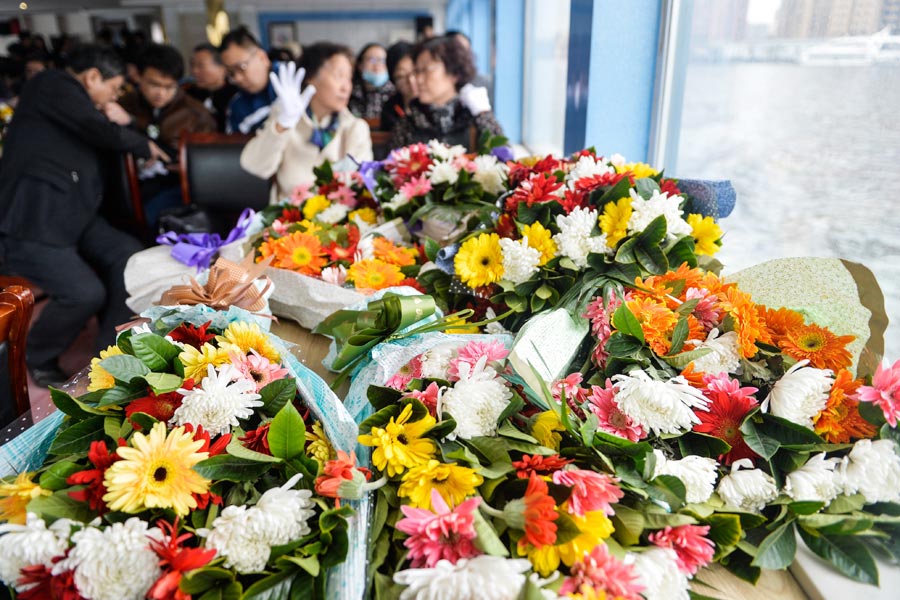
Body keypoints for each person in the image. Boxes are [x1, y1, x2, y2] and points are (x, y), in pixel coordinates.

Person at [0, 44, 168, 388]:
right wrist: (140, 141)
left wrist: (126, 123)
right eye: (114, 87)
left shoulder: (71, 102)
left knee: (127, 254)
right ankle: (35, 354)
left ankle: (109, 355)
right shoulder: (52, 84)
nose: (114, 96)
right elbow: (97, 130)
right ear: (93, 77)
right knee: (84, 293)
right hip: (35, 221)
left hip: (74, 215)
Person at [241, 42, 372, 200]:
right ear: (311, 77)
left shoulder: (354, 127)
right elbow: (256, 166)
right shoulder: (286, 117)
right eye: (339, 76)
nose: (346, 87)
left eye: (349, 78)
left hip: (339, 218)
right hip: (289, 218)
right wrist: (283, 124)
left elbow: (361, 185)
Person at [119, 43, 216, 228]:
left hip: (175, 187)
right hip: (127, 186)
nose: (160, 93)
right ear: (138, 77)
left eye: (169, 87)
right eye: (154, 84)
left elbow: (206, 170)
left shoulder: (197, 115)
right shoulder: (122, 106)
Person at [390, 35, 502, 150]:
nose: (418, 79)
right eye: (417, 71)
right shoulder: (409, 123)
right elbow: (392, 163)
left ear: (454, 73)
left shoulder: (474, 117)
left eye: (426, 70)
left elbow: (502, 156)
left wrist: (483, 113)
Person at [219, 26, 277, 134]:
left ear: (262, 58)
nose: (237, 78)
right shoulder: (238, 106)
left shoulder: (295, 80)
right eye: (231, 73)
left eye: (241, 67)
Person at [184, 43, 239, 132]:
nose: (194, 71)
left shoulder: (236, 95)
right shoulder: (188, 96)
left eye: (201, 66)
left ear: (222, 68)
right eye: (192, 65)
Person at [348, 43, 395, 121]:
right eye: (372, 60)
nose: (377, 65)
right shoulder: (349, 92)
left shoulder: (394, 95)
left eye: (382, 60)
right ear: (360, 65)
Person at [380, 41, 417, 133]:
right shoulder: (390, 110)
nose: (411, 80)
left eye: (415, 72)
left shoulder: (434, 104)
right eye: (401, 76)